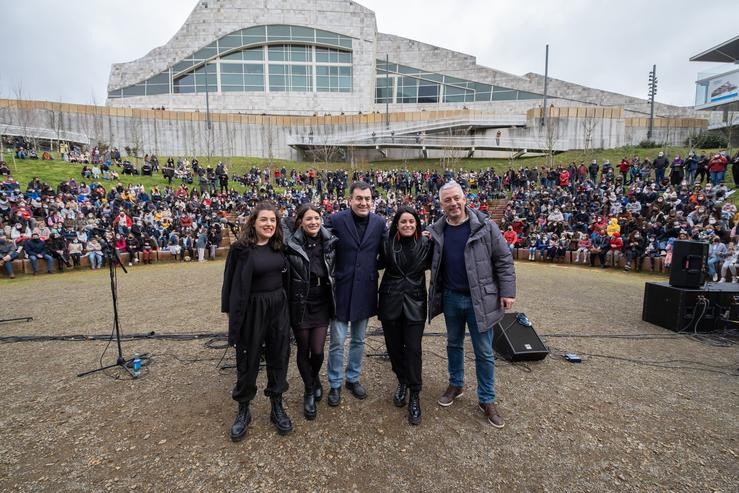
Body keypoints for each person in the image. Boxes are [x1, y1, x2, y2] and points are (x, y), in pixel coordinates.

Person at [427, 181, 516, 428]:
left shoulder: (486, 227)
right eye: (448, 200)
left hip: (482, 299)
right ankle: (456, 384)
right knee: (453, 344)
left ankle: (487, 399)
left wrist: (507, 291)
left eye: (457, 198)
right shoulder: (437, 230)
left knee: (484, 351)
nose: (453, 203)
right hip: (451, 298)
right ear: (441, 204)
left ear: (465, 199)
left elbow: (504, 261)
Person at [221, 202, 292, 441]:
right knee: (247, 359)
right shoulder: (240, 249)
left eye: (273, 220)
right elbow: (229, 284)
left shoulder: (280, 246)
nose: (269, 224)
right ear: (254, 222)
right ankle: (243, 410)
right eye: (264, 220)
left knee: (279, 357)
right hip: (252, 309)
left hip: (278, 307)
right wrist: (231, 317)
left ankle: (276, 406)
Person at [324, 181, 386, 406]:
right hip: (341, 288)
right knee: (338, 341)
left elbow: (386, 252)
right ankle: (334, 383)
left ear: (372, 200)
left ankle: (353, 378)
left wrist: (370, 267)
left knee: (359, 340)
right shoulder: (336, 220)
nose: (363, 202)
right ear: (350, 199)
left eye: (367, 199)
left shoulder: (379, 223)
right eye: (359, 198)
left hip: (365, 289)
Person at [378, 206, 432, 425]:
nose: (408, 225)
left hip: (415, 301)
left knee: (413, 349)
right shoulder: (386, 243)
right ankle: (402, 380)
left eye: (412, 221)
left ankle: (415, 393)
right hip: (390, 300)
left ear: (418, 224)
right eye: (403, 222)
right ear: (396, 224)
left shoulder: (427, 243)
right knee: (393, 347)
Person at [286, 204, 337, 420]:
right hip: (300, 301)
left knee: (317, 351)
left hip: (322, 300)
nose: (313, 222)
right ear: (300, 222)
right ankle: (309, 389)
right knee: (303, 349)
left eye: (316, 218)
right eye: (308, 219)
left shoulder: (330, 241)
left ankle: (314, 377)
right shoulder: (291, 243)